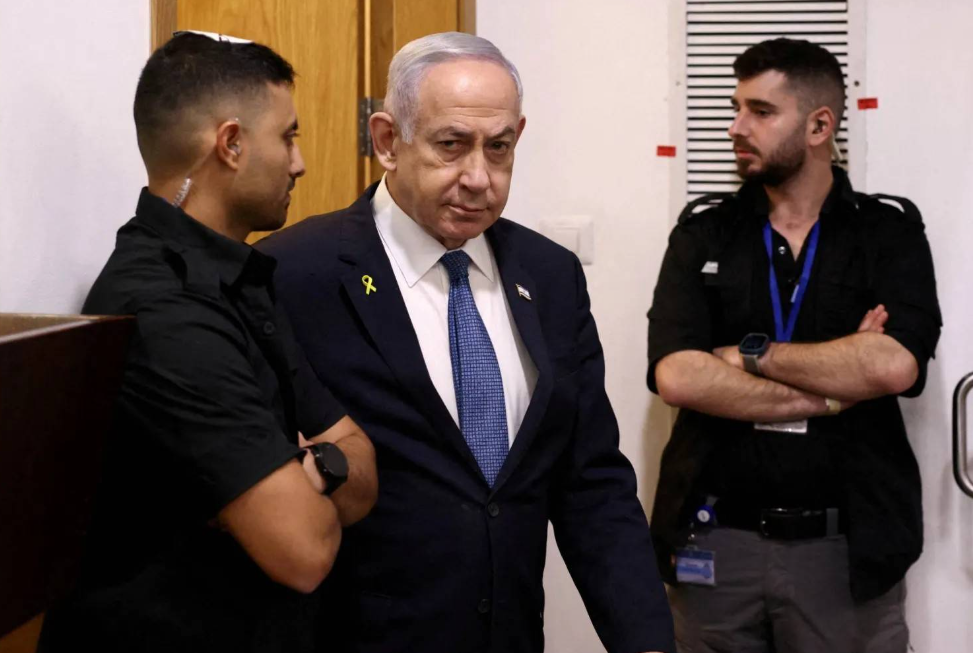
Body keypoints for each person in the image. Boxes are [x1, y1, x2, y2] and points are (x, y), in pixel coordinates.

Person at [259, 31, 674, 653]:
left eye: (499, 148)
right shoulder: (295, 273)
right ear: (387, 141)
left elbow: (591, 484)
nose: (479, 178)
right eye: (451, 145)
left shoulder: (551, 277)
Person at [39, 32, 377, 653]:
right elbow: (304, 549)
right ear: (231, 143)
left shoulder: (238, 276)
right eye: (288, 136)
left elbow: (362, 468)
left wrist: (316, 467)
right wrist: (313, 468)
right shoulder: (163, 308)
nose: (299, 162)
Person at [647, 37, 942, 653]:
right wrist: (834, 391)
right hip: (715, 543)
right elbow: (678, 375)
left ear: (818, 126)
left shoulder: (887, 233)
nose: (736, 127)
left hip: (847, 551)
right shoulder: (704, 233)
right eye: (736, 109)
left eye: (760, 111)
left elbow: (892, 365)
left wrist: (748, 356)